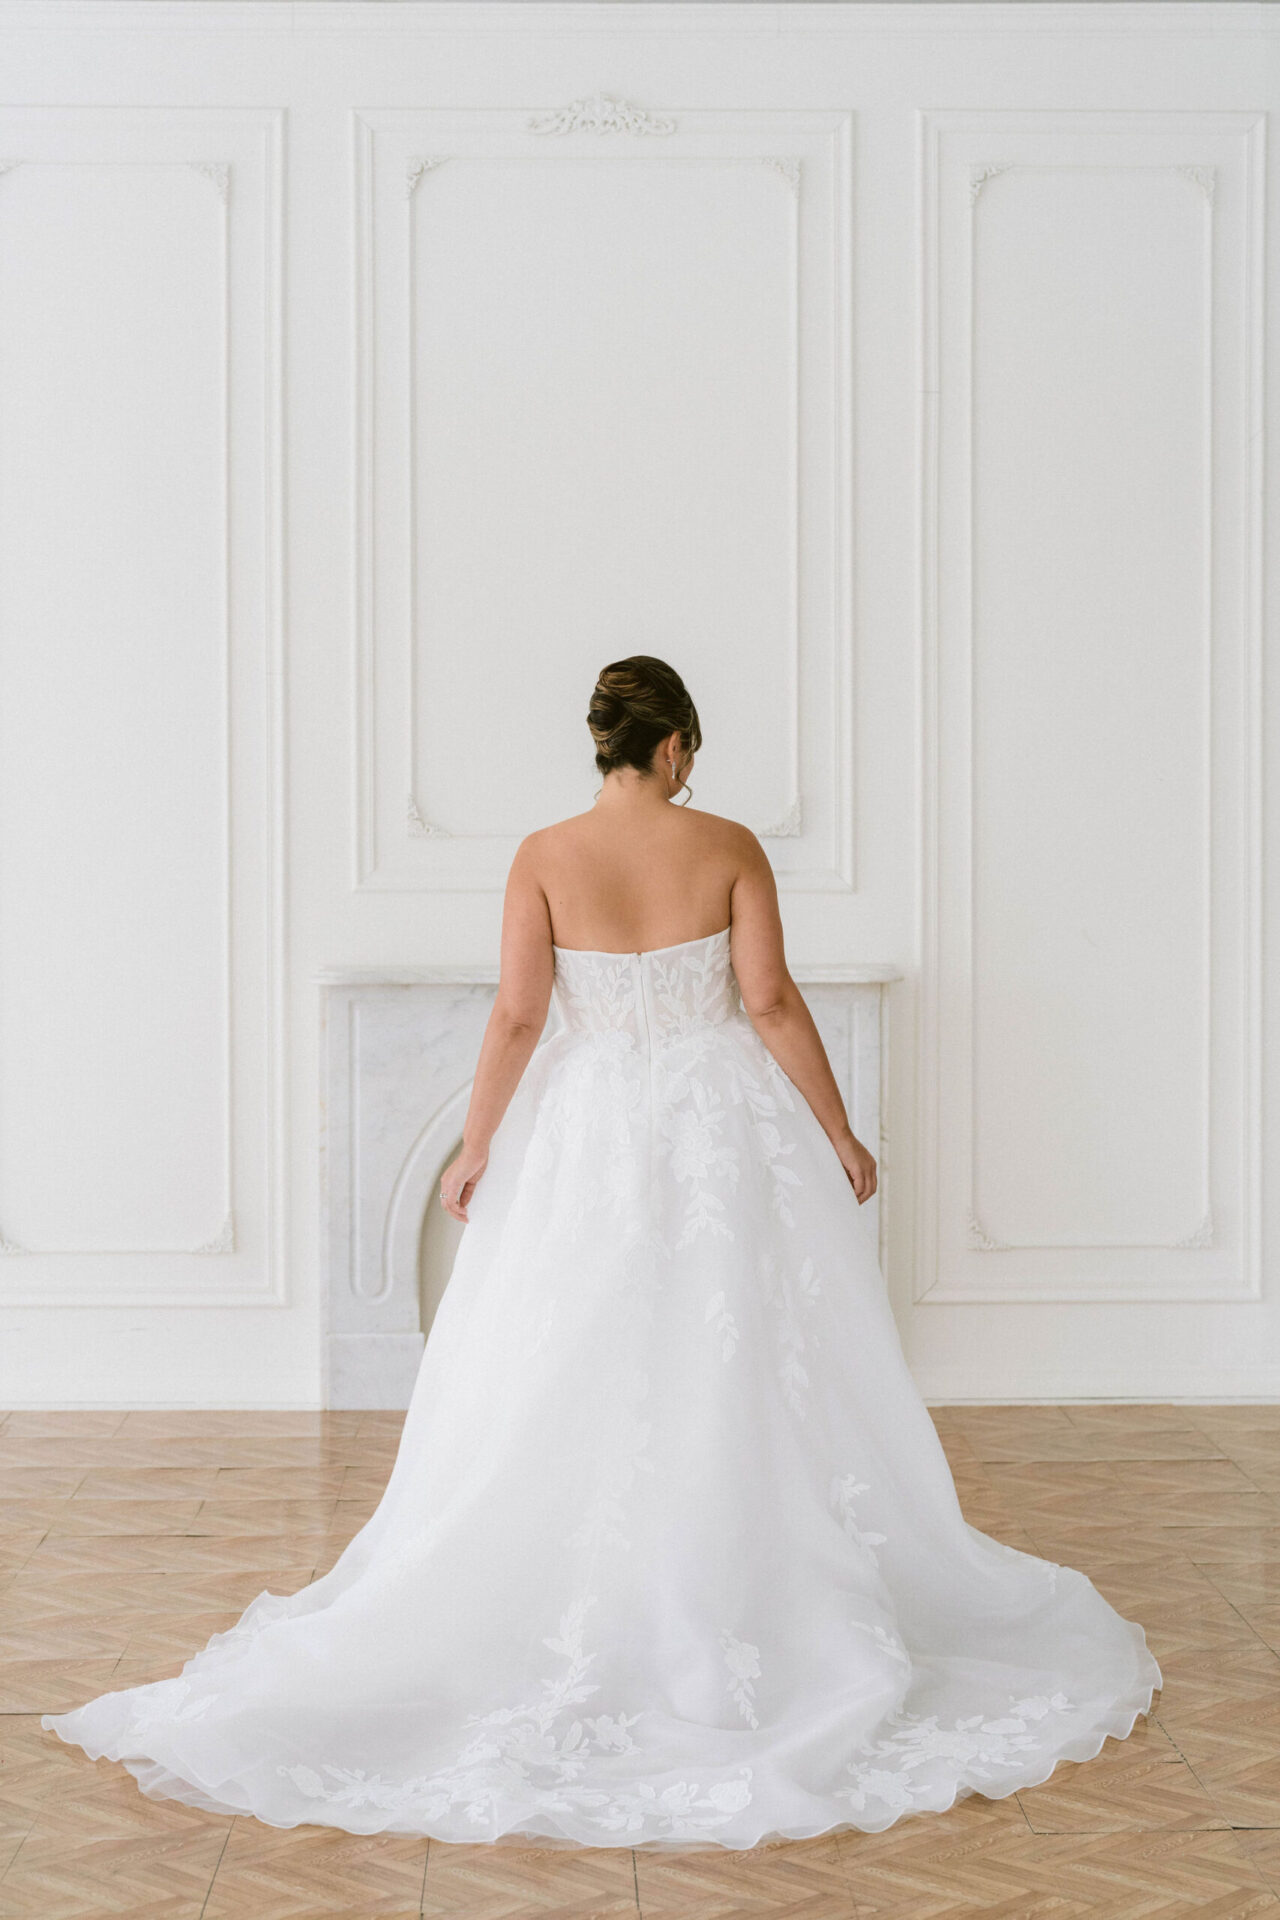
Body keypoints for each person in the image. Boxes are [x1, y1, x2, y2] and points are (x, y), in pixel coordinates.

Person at [43, 655, 1161, 1848]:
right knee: (730, 1358)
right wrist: (834, 1128)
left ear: (606, 745)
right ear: (675, 744)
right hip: (714, 1131)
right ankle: (728, 1594)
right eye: (692, 749)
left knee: (565, 1356)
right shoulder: (726, 844)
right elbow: (771, 1001)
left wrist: (476, 1147)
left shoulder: (541, 854)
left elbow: (520, 1015)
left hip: (584, 1134)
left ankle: (584, 1596)